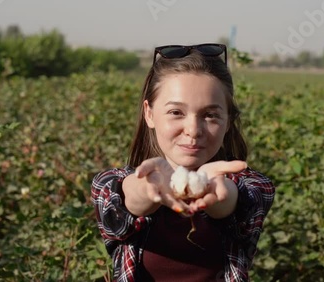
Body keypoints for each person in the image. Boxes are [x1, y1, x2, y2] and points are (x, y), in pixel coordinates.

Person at [91, 43, 276, 281]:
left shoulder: (255, 186)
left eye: (210, 115)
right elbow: (123, 201)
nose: (193, 130)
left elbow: (236, 202)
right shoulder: (109, 184)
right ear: (149, 113)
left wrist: (211, 189)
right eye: (176, 112)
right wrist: (150, 188)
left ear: (228, 120)